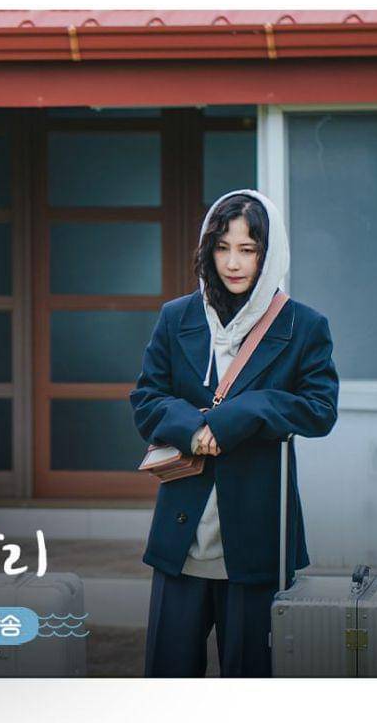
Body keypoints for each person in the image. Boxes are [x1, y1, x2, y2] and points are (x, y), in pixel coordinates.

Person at [130, 190, 338, 677]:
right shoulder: (177, 316)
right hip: (182, 536)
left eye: (248, 249)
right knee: (166, 679)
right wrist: (193, 428)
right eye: (222, 247)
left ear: (269, 253)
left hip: (258, 536)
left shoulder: (303, 325)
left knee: (249, 683)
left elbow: (320, 410)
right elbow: (146, 399)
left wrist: (240, 415)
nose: (233, 263)